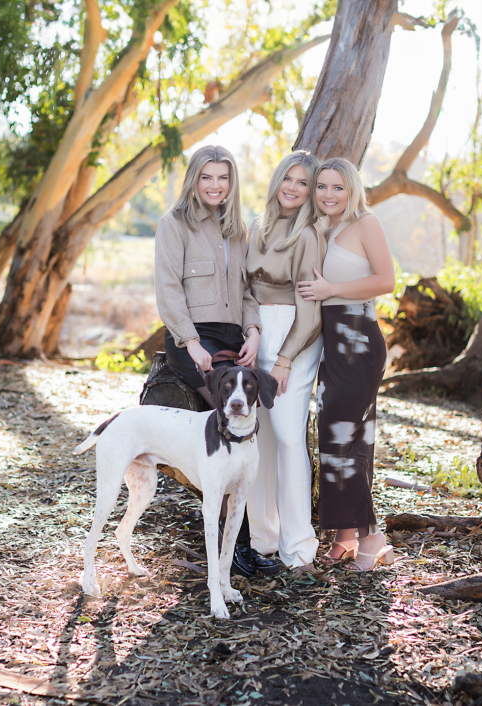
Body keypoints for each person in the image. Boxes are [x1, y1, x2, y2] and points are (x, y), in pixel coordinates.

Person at [153, 144, 280, 578]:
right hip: (195, 340)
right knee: (229, 434)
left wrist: (253, 331)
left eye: (223, 178)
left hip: (232, 339)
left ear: (232, 183)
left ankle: (237, 549)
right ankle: (236, 551)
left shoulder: (236, 230)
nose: (215, 185)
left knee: (244, 441)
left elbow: (247, 292)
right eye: (207, 177)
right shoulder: (174, 226)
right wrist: (190, 342)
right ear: (194, 179)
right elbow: (168, 289)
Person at [297, 157, 396, 572]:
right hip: (333, 345)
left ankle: (373, 538)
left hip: (358, 342)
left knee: (341, 442)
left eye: (337, 187)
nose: (328, 194)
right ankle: (344, 537)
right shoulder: (327, 228)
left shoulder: (366, 223)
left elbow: (386, 280)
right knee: (342, 441)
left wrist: (330, 288)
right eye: (322, 187)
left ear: (352, 189)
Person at [244, 150, 324, 571]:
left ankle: (299, 549)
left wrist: (286, 358)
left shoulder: (309, 234)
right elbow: (246, 291)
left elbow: (311, 309)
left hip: (297, 338)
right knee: (261, 438)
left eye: (303, 183)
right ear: (277, 181)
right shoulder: (257, 227)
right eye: (287, 179)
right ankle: (264, 539)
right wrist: (252, 333)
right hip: (259, 335)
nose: (292, 188)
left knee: (290, 438)